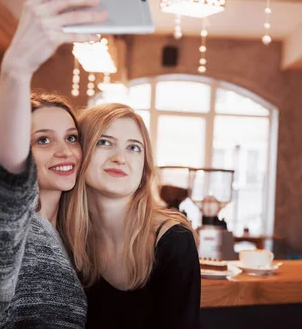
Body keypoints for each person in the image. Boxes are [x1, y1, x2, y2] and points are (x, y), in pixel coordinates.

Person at [0, 0, 108, 328]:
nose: (65, 151)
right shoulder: (16, 232)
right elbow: (0, 191)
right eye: (43, 140)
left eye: (72, 137)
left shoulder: (73, 236)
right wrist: (16, 71)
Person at [60, 103, 201, 329]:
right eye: (104, 142)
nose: (120, 158)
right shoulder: (62, 237)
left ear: (144, 168)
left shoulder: (173, 240)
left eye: (133, 147)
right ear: (79, 153)